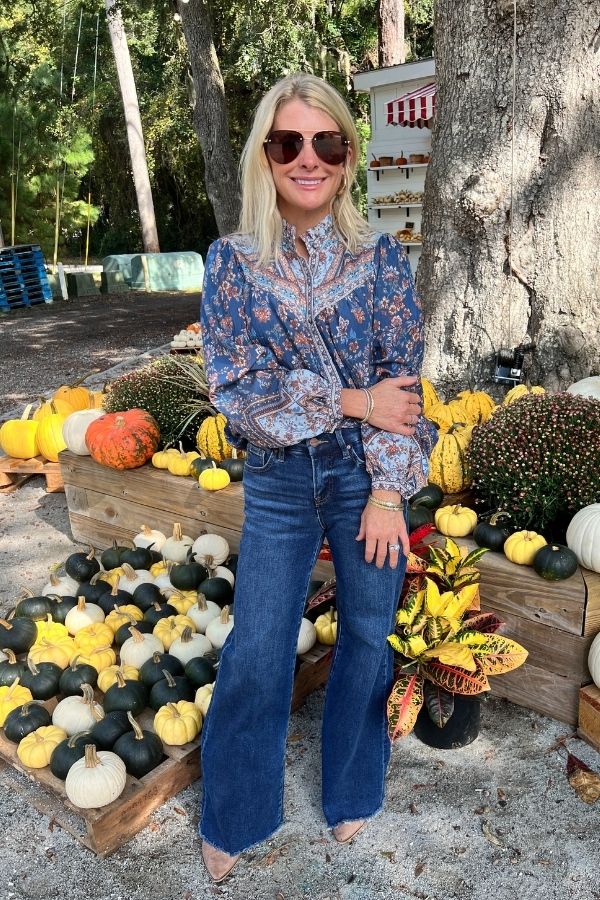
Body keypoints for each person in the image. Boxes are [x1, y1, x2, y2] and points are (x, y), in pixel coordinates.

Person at [198, 72, 437, 883]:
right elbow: (240, 390)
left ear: (347, 155)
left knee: (367, 633)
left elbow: (403, 389)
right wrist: (351, 399)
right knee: (259, 644)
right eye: (289, 142)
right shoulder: (232, 264)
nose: (309, 159)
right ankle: (237, 809)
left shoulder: (381, 260)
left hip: (364, 475)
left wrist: (387, 492)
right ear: (264, 156)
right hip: (276, 478)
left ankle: (353, 788)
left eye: (326, 142)